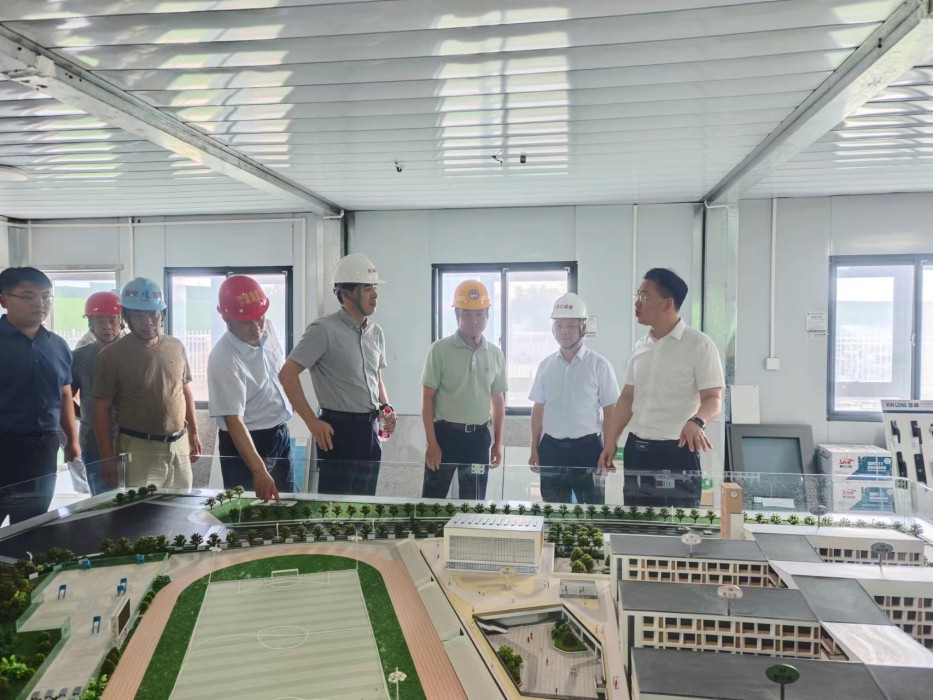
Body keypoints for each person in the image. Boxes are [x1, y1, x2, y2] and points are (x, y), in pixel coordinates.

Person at [599, 268, 724, 507]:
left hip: (677, 451)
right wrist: (611, 439)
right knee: (639, 522)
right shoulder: (640, 346)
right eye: (637, 295)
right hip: (637, 450)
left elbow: (713, 399)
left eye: (644, 296)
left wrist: (697, 421)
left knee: (679, 524)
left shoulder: (699, 345)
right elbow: (627, 397)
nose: (637, 302)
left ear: (668, 304)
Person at [280, 253, 395, 496]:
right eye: (367, 288)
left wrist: (386, 406)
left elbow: (375, 377)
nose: (375, 294)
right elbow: (287, 374)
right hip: (338, 432)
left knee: (366, 506)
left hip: (370, 430)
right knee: (336, 506)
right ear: (346, 294)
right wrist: (312, 422)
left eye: (375, 287)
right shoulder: (323, 330)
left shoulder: (376, 333)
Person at [94, 277, 201, 489]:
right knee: (142, 507)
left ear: (162, 314)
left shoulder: (176, 346)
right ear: (126, 316)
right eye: (138, 315)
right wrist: (108, 460)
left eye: (153, 314)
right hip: (138, 449)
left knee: (182, 505)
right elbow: (101, 410)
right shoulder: (111, 356)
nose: (147, 321)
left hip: (179, 445)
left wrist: (194, 433)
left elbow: (184, 391)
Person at [0, 267, 79, 525]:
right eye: (28, 296)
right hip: (4, 445)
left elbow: (65, 394)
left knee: (31, 525)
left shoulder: (57, 345)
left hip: (43, 449)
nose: (40, 303)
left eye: (46, 296)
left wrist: (72, 440)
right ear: (4, 300)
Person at [208, 275, 293, 503]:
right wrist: (258, 470)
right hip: (247, 443)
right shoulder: (224, 358)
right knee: (249, 510)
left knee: (287, 504)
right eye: (246, 322)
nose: (256, 327)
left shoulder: (267, 328)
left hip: (279, 433)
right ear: (227, 319)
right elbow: (234, 421)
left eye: (260, 317)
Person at [529, 293, 619, 504]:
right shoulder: (545, 366)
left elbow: (610, 411)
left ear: (583, 327)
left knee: (592, 512)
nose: (564, 332)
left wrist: (609, 447)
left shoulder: (599, 365)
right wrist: (534, 447)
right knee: (554, 512)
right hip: (551, 450)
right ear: (553, 329)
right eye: (559, 326)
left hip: (588, 450)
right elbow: (538, 408)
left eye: (570, 325)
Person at [421, 280, 506, 500]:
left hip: (478, 439)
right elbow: (427, 400)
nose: (474, 320)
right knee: (432, 503)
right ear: (457, 314)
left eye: (479, 314)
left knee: (474, 503)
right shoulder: (439, 350)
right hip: (444, 436)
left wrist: (497, 443)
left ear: (487, 316)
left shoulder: (495, 354)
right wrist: (432, 443)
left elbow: (498, 401)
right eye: (467, 314)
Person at [70, 291, 123, 494]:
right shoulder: (79, 357)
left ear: (121, 321)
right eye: (100, 321)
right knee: (102, 500)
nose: (108, 326)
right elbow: (65, 397)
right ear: (91, 323)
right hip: (93, 443)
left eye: (113, 320)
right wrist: (85, 416)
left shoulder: (132, 353)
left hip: (129, 440)